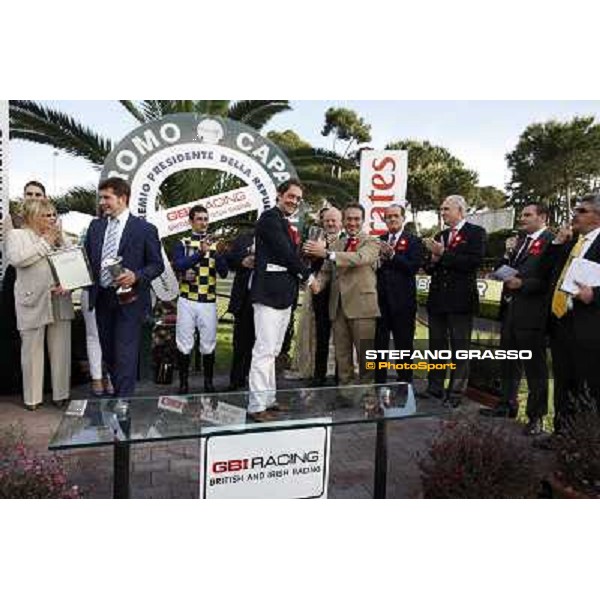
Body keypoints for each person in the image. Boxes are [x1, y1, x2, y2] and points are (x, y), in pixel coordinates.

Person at [84, 177, 164, 397]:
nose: (102, 203)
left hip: (131, 301)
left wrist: (136, 275)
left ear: (122, 198)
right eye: (101, 198)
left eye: (107, 198)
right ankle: (119, 397)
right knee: (109, 354)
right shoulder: (96, 226)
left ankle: (123, 407)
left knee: (125, 355)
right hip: (102, 299)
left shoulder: (145, 229)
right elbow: (87, 262)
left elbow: (157, 265)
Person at [480, 203, 553, 435]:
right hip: (511, 310)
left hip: (533, 313)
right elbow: (506, 267)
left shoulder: (551, 242)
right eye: (521, 215)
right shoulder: (520, 241)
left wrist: (524, 284)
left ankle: (536, 417)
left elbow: (550, 278)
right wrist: (505, 256)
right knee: (509, 361)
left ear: (542, 217)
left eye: (527, 215)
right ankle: (507, 404)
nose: (522, 219)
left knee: (534, 369)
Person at [248, 179, 313, 421]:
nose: (294, 201)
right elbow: (285, 254)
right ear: (279, 194)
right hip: (268, 295)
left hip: (284, 295)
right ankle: (256, 406)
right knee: (264, 351)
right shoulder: (269, 218)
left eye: (298, 199)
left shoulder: (283, 222)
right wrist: (308, 275)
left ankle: (269, 399)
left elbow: (290, 254)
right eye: (291, 196)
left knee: (273, 351)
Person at [5, 197, 74, 410]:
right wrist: (45, 242)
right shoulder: (17, 235)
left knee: (61, 348)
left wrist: (70, 283)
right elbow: (17, 259)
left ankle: (61, 394)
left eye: (54, 214)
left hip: (59, 298)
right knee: (32, 350)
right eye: (46, 215)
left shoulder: (60, 235)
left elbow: (73, 261)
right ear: (33, 217)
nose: (52, 219)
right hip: (32, 299)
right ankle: (32, 398)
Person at [420, 195, 486, 407]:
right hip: (438, 300)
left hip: (460, 301)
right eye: (441, 209)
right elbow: (429, 268)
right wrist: (433, 258)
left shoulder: (476, 233)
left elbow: (473, 262)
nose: (443, 212)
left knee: (460, 348)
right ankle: (435, 388)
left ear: (460, 211)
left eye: (447, 209)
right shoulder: (441, 235)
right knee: (437, 346)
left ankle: (456, 393)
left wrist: (444, 253)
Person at [305, 203, 380, 386]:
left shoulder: (372, 242)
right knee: (342, 355)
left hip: (362, 307)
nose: (352, 223)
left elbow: (359, 258)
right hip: (337, 307)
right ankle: (345, 392)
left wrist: (328, 254)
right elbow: (325, 272)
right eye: (349, 219)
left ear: (363, 221)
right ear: (344, 221)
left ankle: (367, 392)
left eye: (356, 219)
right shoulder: (338, 244)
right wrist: (315, 284)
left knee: (365, 356)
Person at [545, 194, 600, 436]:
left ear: (597, 216)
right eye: (576, 209)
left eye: (582, 210)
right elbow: (545, 269)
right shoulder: (571, 243)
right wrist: (557, 243)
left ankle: (583, 444)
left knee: (586, 386)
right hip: (561, 322)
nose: (575, 214)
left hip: (589, 327)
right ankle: (560, 435)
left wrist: (595, 294)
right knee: (563, 383)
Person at [172, 205, 228, 394]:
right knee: (184, 342)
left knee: (208, 342)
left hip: (208, 301)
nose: (203, 222)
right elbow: (179, 264)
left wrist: (218, 253)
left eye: (206, 219)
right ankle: (184, 383)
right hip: (187, 300)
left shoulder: (215, 243)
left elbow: (223, 272)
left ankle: (208, 383)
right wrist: (200, 254)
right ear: (191, 221)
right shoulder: (183, 242)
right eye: (199, 219)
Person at [1, 181, 49, 395]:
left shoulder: (50, 218)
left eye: (38, 194)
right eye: (29, 193)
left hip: (44, 282)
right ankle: (16, 383)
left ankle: (42, 385)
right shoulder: (12, 221)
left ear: (44, 197)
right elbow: (14, 254)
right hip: (18, 278)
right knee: (16, 331)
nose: (33, 196)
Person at [375, 203, 424, 384]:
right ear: (385, 220)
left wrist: (393, 256)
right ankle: (378, 383)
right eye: (389, 216)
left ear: (403, 218)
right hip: (380, 303)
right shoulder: (379, 240)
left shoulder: (413, 241)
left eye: (396, 216)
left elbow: (413, 267)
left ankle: (405, 384)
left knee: (403, 346)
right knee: (379, 346)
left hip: (403, 304)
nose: (392, 219)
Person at [225, 227, 256, 391]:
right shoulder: (244, 238)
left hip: (265, 299)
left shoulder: (278, 238)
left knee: (259, 343)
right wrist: (242, 261)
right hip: (243, 299)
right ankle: (235, 379)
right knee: (240, 342)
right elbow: (230, 259)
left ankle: (253, 379)